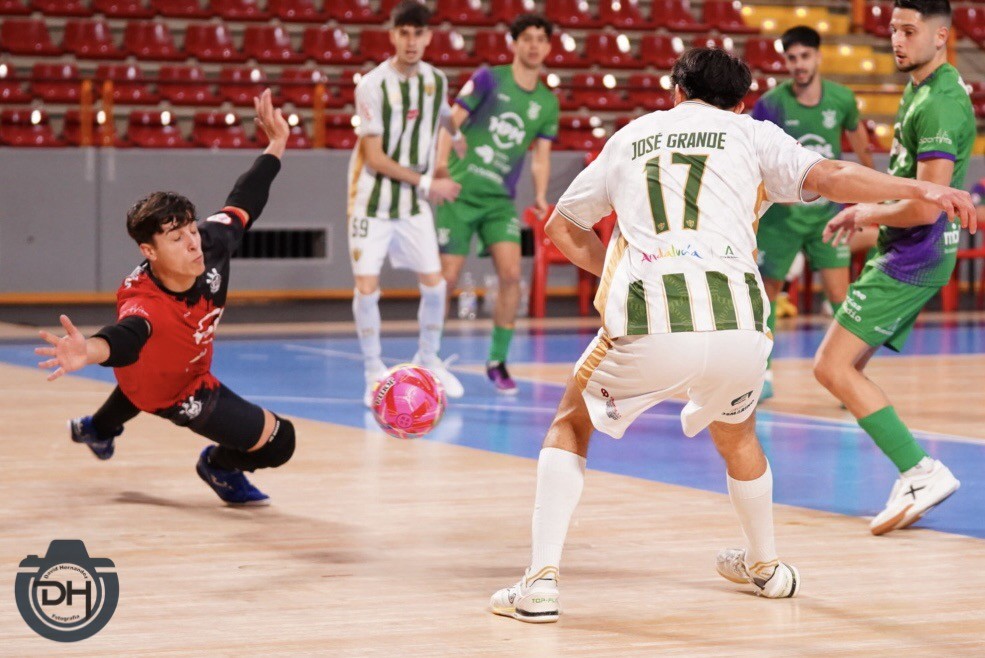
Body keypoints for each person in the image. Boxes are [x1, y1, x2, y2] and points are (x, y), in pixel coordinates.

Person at [488, 48, 975, 623]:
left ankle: (540, 583)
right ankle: (766, 566)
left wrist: (622, 272)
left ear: (675, 91)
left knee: (572, 421)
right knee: (738, 431)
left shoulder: (631, 136)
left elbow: (562, 226)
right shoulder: (752, 134)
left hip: (654, 319)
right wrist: (922, 189)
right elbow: (835, 176)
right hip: (742, 324)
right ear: (741, 103)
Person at [35, 90, 297, 506]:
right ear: (149, 251)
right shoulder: (144, 303)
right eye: (177, 238)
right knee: (281, 441)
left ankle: (97, 429)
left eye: (192, 229)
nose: (193, 243)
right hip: (175, 390)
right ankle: (218, 465)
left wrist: (277, 143)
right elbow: (125, 337)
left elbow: (245, 198)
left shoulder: (210, 242)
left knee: (135, 387)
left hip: (161, 365)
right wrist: (90, 351)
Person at [814, 0, 976, 535]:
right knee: (844, 367)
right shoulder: (921, 89)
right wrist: (867, 217)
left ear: (942, 36)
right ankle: (914, 472)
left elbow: (927, 206)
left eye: (909, 31)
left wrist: (865, 211)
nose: (897, 41)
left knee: (831, 367)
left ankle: (921, 470)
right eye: (893, 30)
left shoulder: (941, 104)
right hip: (907, 247)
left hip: (915, 253)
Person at [434, 13, 559, 394]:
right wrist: (440, 167)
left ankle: (497, 361)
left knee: (511, 276)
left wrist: (540, 194)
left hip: (499, 201)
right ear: (514, 43)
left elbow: (540, 157)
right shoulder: (490, 78)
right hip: (459, 193)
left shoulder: (547, 102)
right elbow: (450, 120)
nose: (534, 45)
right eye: (527, 38)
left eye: (541, 39)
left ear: (548, 47)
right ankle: (429, 356)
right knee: (447, 278)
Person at [348, 0, 465, 407]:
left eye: (418, 33)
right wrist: (431, 181)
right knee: (367, 289)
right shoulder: (371, 86)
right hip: (372, 203)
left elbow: (443, 115)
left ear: (428, 37)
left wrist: (456, 138)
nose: (411, 41)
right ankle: (372, 372)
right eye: (404, 33)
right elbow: (375, 158)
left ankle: (428, 361)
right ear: (393, 35)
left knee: (435, 285)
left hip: (412, 205)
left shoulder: (436, 80)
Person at [751, 25, 876, 400]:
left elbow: (861, 149)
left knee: (840, 294)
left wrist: (870, 198)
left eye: (805, 56)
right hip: (781, 219)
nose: (799, 64)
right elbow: (754, 155)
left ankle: (850, 375)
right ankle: (762, 375)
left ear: (818, 57)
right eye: (792, 58)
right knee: (767, 293)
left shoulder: (842, 99)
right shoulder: (771, 103)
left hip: (827, 217)